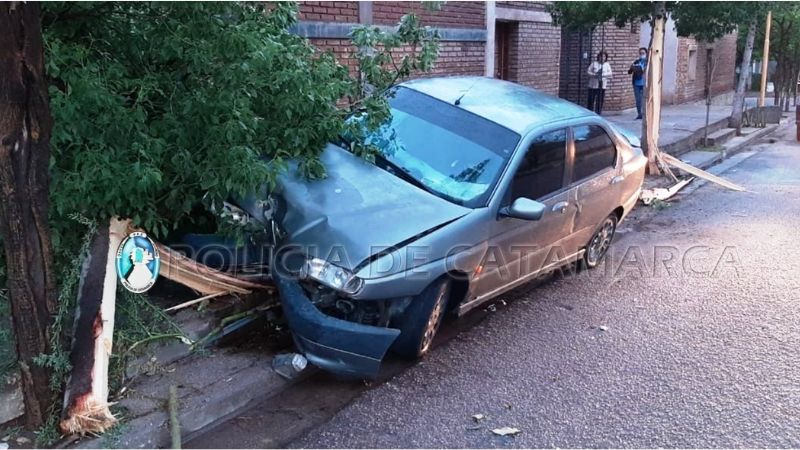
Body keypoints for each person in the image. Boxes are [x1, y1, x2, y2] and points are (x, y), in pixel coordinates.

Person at [628, 47, 648, 119]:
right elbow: (629, 72)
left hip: (644, 83)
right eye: (640, 53)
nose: (641, 54)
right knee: (638, 99)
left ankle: (644, 114)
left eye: (643, 53)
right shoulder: (636, 61)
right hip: (636, 83)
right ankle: (639, 114)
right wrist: (632, 67)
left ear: (646, 53)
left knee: (644, 99)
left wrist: (642, 69)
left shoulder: (647, 62)